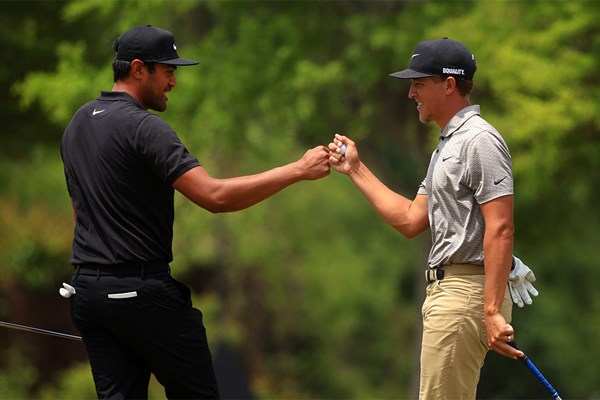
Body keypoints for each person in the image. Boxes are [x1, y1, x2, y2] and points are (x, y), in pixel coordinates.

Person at [61, 25, 330, 399]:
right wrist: (298, 170)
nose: (173, 81)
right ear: (139, 69)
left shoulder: (77, 123)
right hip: (139, 294)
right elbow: (214, 196)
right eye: (167, 71)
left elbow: (80, 213)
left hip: (88, 294)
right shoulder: (145, 128)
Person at [328, 38, 537, 399]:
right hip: (449, 292)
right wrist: (356, 170)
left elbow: (501, 226)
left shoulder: (479, 140)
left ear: (449, 85)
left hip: (465, 293)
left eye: (419, 83)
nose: (411, 94)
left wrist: (491, 310)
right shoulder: (448, 145)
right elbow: (410, 219)